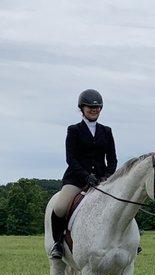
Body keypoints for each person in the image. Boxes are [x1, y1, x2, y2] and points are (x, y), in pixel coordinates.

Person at [50, 89, 117, 259]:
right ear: (82, 108)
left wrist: (107, 177)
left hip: (102, 180)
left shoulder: (107, 131)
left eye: (97, 108)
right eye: (90, 107)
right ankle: (57, 243)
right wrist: (86, 176)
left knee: (122, 202)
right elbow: (70, 158)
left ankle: (130, 242)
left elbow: (113, 159)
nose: (94, 110)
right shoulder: (73, 130)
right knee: (59, 207)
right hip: (76, 179)